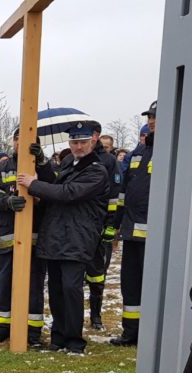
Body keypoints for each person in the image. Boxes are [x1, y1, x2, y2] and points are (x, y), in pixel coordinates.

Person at [18, 122, 109, 354]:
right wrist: (41, 162)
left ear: (92, 141)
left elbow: (68, 193)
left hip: (77, 237)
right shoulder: (69, 162)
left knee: (71, 289)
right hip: (56, 235)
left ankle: (74, 341)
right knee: (57, 289)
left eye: (83, 142)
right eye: (74, 142)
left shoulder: (96, 170)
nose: (78, 146)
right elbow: (54, 182)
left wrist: (33, 184)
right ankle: (58, 338)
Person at [0, 128, 52, 345]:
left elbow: (54, 186)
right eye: (16, 139)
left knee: (34, 284)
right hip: (7, 234)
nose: (20, 143)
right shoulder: (1, 167)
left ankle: (32, 331)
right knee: (4, 283)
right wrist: (7, 201)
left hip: (35, 236)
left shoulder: (43, 166)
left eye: (26, 140)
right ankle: (0, 328)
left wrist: (42, 162)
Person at [69, 121, 123, 331]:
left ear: (96, 136)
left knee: (97, 274)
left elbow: (114, 196)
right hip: (76, 227)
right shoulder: (71, 159)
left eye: (89, 135)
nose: (84, 140)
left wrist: (111, 225)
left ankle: (96, 315)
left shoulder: (108, 161)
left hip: (98, 226)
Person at [111, 102, 157, 346]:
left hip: (155, 235)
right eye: (150, 117)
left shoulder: (172, 149)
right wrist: (116, 223)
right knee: (130, 285)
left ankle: (152, 333)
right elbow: (124, 189)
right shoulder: (139, 151)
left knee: (152, 286)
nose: (151, 121)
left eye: (156, 117)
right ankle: (131, 332)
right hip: (131, 231)